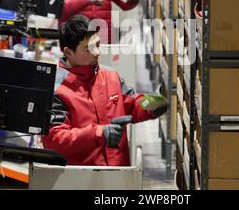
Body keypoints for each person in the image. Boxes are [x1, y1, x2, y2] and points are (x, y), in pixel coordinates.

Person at [43, 15, 167, 166]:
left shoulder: (111, 77)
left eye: (97, 45)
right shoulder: (57, 90)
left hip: (119, 175)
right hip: (82, 180)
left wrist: (149, 104)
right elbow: (54, 140)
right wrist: (99, 134)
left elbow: (132, 103)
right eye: (89, 48)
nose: (97, 52)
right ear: (68, 52)